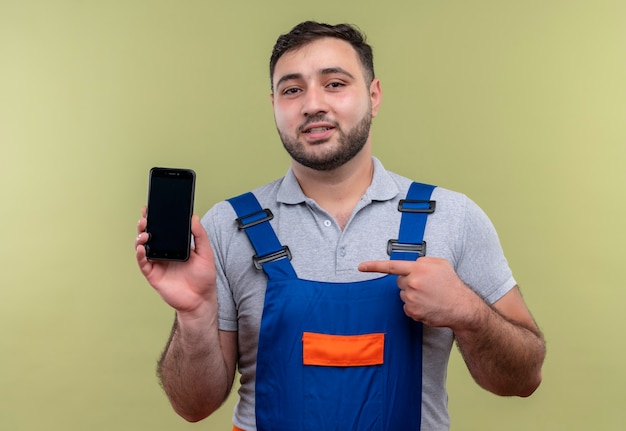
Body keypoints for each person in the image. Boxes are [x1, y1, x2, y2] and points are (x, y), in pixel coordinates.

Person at [135, 21, 545, 431]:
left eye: (334, 83)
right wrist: (193, 313)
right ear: (274, 103)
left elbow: (524, 379)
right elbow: (194, 406)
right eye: (292, 89)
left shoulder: (453, 217)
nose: (313, 103)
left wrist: (468, 311)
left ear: (373, 95)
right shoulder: (226, 227)